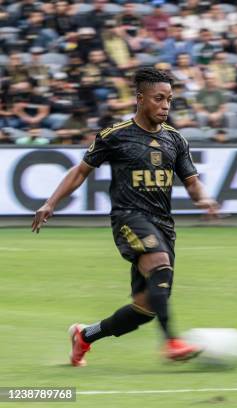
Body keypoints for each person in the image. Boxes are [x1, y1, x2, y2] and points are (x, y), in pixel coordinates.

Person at [31, 68, 220, 366]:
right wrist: (50, 203)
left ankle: (84, 336)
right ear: (140, 98)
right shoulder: (115, 136)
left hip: (163, 225)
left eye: (170, 99)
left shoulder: (176, 140)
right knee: (160, 263)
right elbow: (81, 171)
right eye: (159, 99)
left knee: (145, 308)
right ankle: (172, 342)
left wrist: (206, 199)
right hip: (128, 218)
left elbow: (193, 183)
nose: (166, 106)